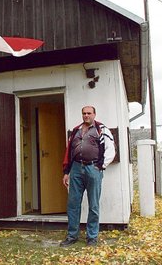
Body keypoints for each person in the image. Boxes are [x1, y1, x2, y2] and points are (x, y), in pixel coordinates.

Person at [60, 106, 115, 247]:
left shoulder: (101, 129)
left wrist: (100, 166)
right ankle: (72, 236)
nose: (86, 116)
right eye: (84, 113)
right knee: (73, 204)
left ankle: (92, 237)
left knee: (94, 205)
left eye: (89, 113)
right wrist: (66, 172)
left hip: (93, 169)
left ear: (94, 114)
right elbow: (69, 152)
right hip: (76, 169)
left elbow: (111, 150)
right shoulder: (76, 131)